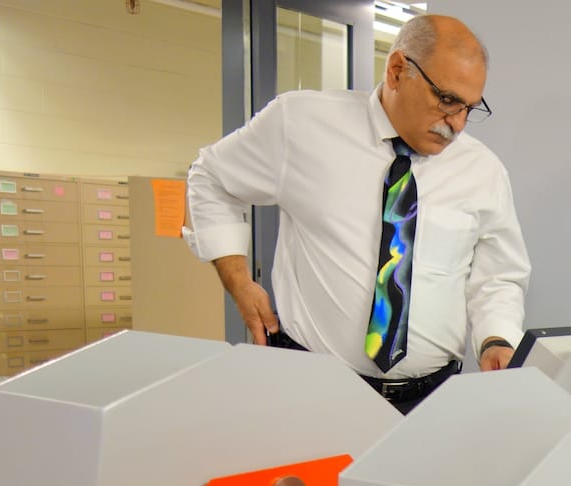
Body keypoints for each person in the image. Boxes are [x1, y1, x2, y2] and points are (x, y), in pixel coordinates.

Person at [183, 14, 529, 413]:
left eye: (471, 107)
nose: (457, 124)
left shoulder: (483, 170)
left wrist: (496, 337)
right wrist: (239, 282)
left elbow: (498, 274)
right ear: (398, 70)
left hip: (431, 400)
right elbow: (211, 176)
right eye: (447, 100)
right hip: (311, 392)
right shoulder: (301, 125)